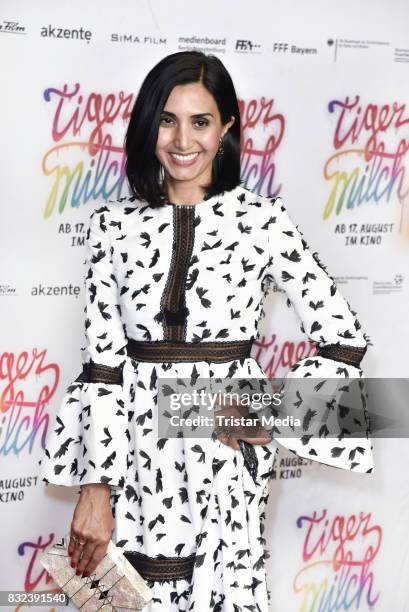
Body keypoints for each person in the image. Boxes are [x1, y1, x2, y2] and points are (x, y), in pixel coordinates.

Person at [38, 50, 373, 611]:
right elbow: (101, 365)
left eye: (200, 121)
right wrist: (94, 487)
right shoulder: (112, 227)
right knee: (132, 597)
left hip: (224, 453)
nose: (182, 139)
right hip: (135, 458)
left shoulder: (262, 221)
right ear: (149, 127)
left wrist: (268, 417)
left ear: (226, 130)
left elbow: (343, 337)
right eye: (167, 119)